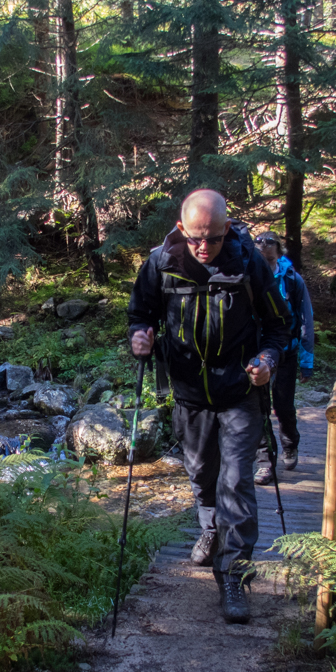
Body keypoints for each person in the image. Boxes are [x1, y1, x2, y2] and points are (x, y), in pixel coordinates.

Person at [127, 190, 293, 624]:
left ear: (227, 229)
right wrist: (140, 337)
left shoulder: (248, 262)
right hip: (188, 393)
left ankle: (234, 577)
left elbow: (279, 325)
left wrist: (268, 362)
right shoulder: (160, 263)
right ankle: (210, 530)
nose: (205, 248)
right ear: (182, 229)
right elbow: (140, 312)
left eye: (214, 239)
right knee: (202, 475)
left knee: (236, 483)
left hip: (240, 392)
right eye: (197, 238)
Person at [252, 232, 314, 485]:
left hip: (286, 352)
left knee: (283, 406)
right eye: (260, 249)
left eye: (269, 250)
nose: (264, 253)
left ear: (278, 250)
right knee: (260, 408)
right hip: (257, 353)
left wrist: (307, 360)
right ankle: (265, 463)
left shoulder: (292, 279)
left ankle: (290, 445)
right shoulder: (249, 276)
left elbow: (306, 319)